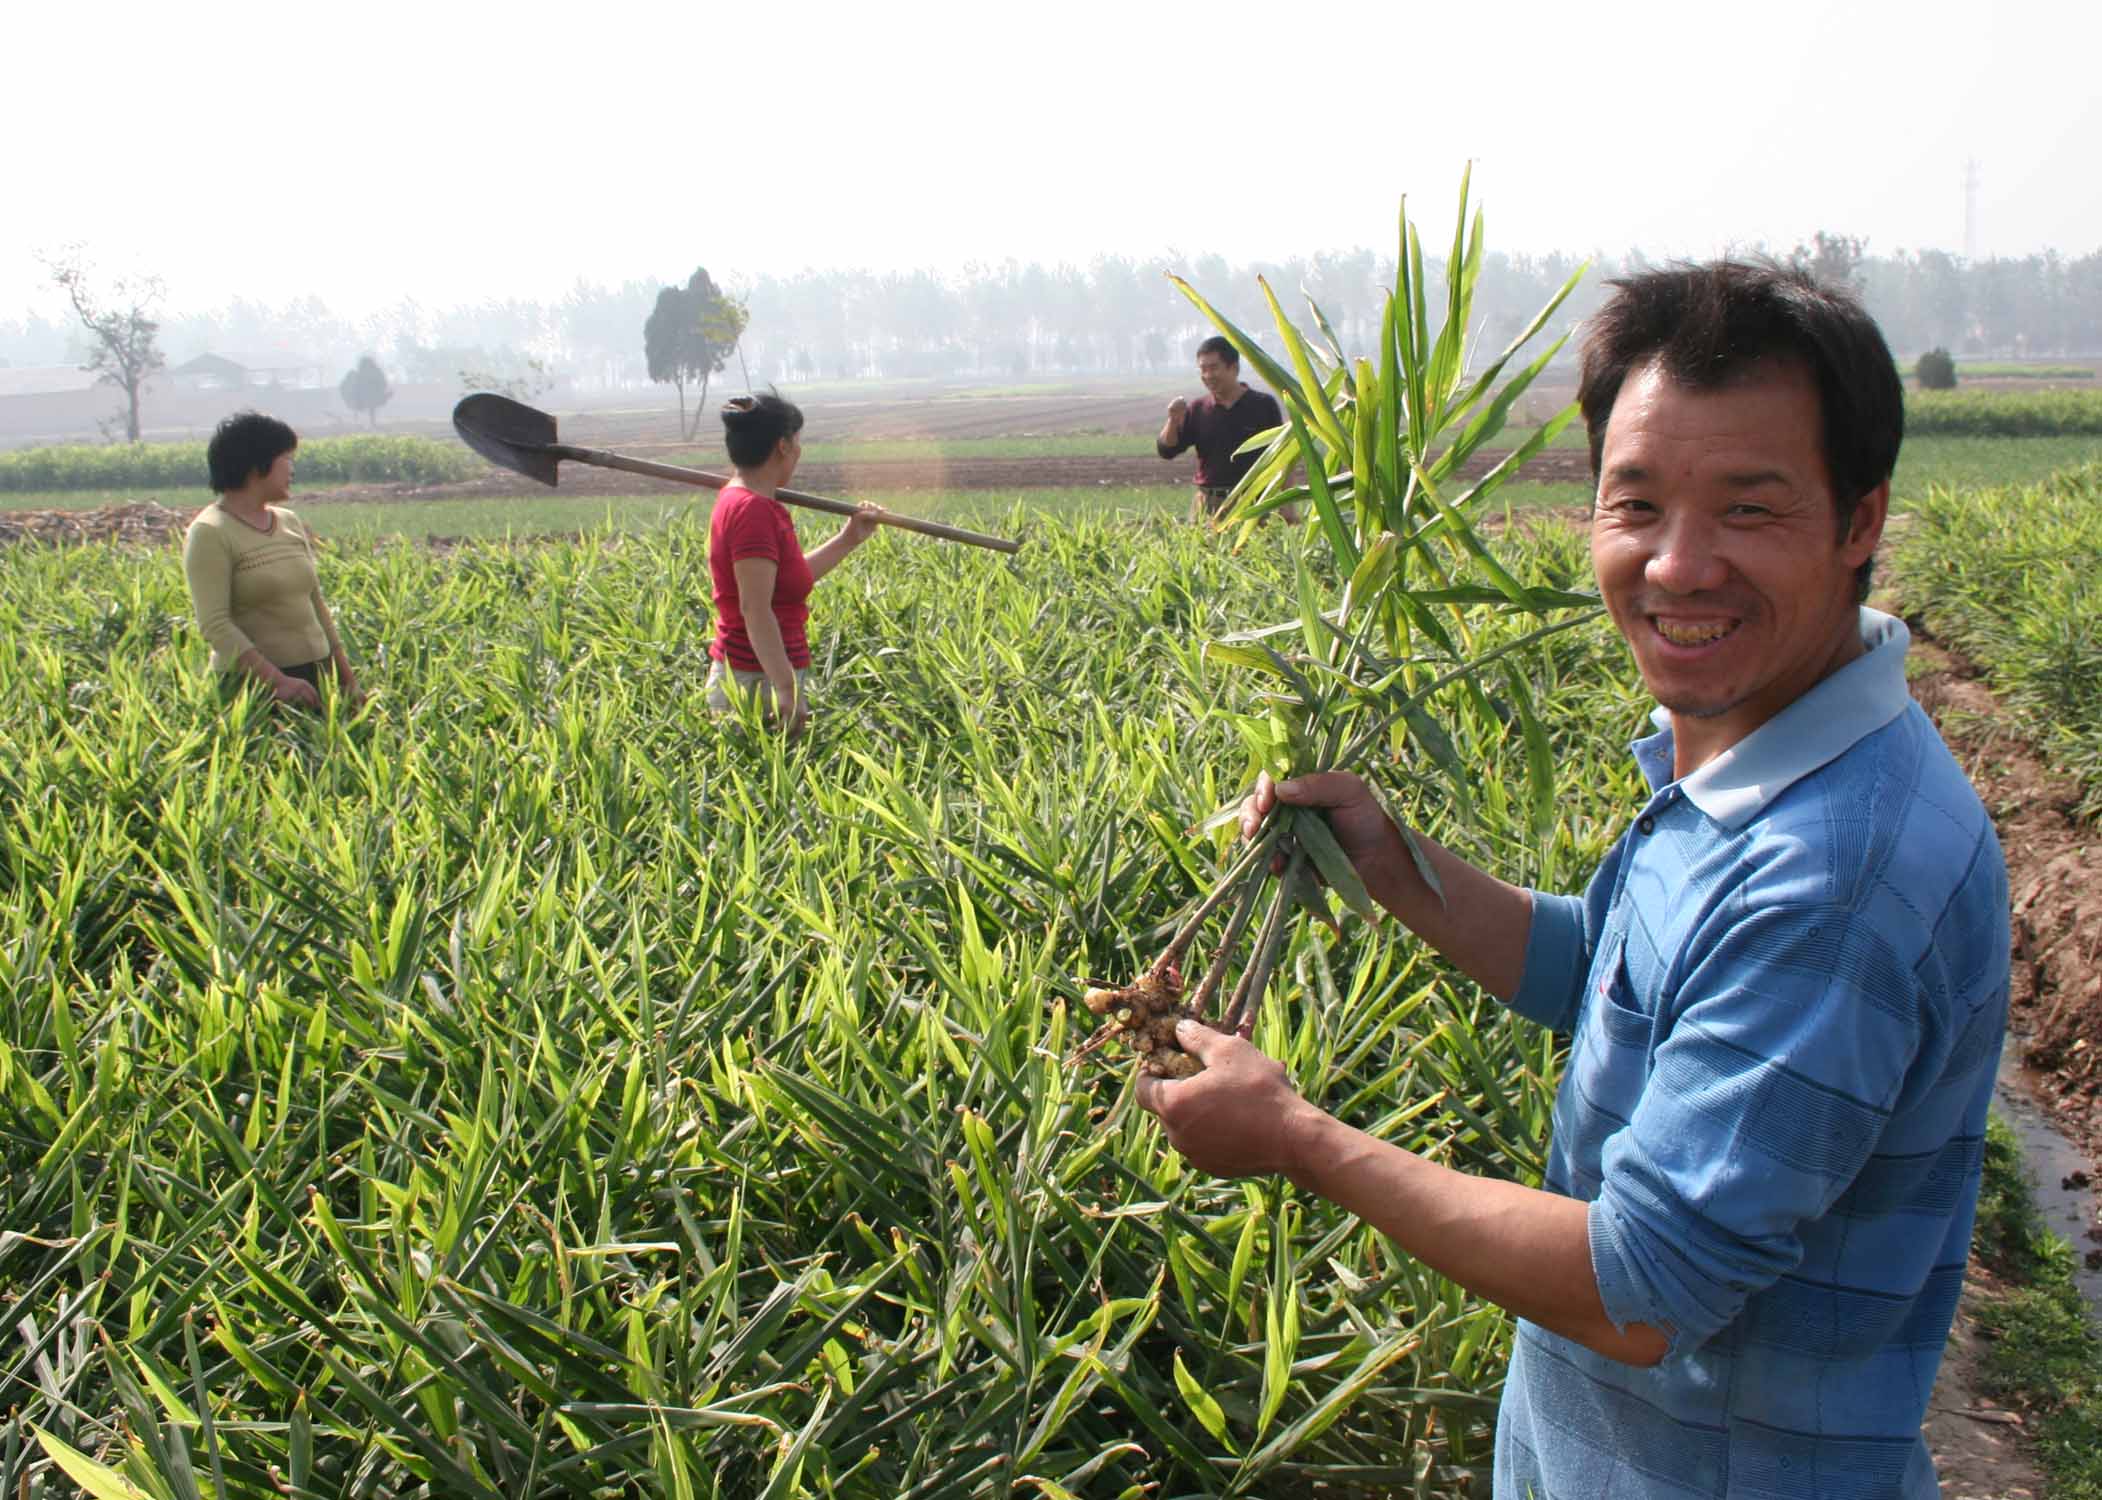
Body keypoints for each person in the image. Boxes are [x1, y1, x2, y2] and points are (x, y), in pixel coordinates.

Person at [1137, 262, 2010, 1498]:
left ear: (1858, 521)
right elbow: (1598, 967)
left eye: (1748, 511)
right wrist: (1392, 861)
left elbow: (1636, 1286)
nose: (1674, 565)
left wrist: (1294, 1138)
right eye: (1635, 504)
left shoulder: (1836, 877)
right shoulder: (1758, 763)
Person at [705, 393, 884, 735]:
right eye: (798, 442)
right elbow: (755, 608)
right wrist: (785, 687)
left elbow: (784, 583)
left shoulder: (745, 500)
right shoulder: (751, 510)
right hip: (755, 683)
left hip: (764, 675)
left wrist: (849, 539)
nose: (800, 452)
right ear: (783, 446)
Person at [184, 411, 363, 709]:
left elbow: (315, 604)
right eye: (287, 459)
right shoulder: (210, 532)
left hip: (316, 677)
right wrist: (277, 682)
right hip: (255, 688)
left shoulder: (289, 522)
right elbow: (215, 624)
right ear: (257, 465)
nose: (292, 469)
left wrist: (347, 681)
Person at [1157, 335, 1291, 524]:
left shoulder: (1262, 405)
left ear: (1233, 368)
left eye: (1213, 368)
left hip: (1252, 504)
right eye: (1203, 369)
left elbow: (1283, 455)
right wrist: (1173, 420)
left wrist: (1288, 505)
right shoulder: (1198, 409)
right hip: (1208, 505)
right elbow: (1167, 450)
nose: (1208, 375)